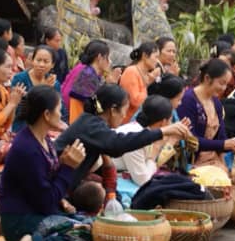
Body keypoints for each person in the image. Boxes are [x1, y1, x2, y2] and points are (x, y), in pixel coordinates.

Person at [54, 84, 193, 207]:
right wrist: (163, 132)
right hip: (54, 187)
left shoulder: (94, 124)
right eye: (124, 110)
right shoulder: (91, 125)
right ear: (113, 110)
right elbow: (118, 145)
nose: (125, 115)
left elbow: (112, 157)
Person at [0, 85, 90, 241]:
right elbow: (46, 202)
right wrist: (68, 168)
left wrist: (63, 164)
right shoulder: (27, 149)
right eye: (59, 109)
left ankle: (18, 231)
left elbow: (44, 184)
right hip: (22, 221)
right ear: (46, 114)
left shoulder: (42, 138)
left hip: (33, 213)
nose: (61, 114)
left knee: (90, 223)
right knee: (90, 235)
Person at [176, 59, 235, 170]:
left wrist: (234, 145)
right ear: (207, 78)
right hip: (193, 163)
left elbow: (221, 137)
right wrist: (223, 144)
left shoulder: (216, 103)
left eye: (226, 84)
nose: (224, 88)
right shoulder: (188, 100)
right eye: (221, 83)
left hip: (215, 161)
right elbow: (190, 140)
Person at [112, 95, 177, 187]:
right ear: (163, 122)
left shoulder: (140, 129)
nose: (171, 124)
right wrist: (155, 151)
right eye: (170, 120)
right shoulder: (136, 138)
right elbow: (143, 181)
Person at [10, 46, 62, 130]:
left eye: (46, 61)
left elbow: (59, 109)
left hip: (46, 127)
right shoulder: (20, 79)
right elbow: (18, 111)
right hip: (23, 125)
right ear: (32, 61)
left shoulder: (54, 84)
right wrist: (43, 90)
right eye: (38, 60)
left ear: (52, 64)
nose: (41, 64)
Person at [60, 40, 111, 123]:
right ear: (99, 57)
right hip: (76, 122)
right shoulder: (88, 76)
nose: (110, 61)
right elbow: (95, 107)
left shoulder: (91, 73)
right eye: (108, 57)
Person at [119, 42, 161, 119]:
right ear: (145, 56)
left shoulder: (145, 74)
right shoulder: (132, 71)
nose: (157, 61)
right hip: (127, 120)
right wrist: (149, 81)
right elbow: (135, 101)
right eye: (156, 57)